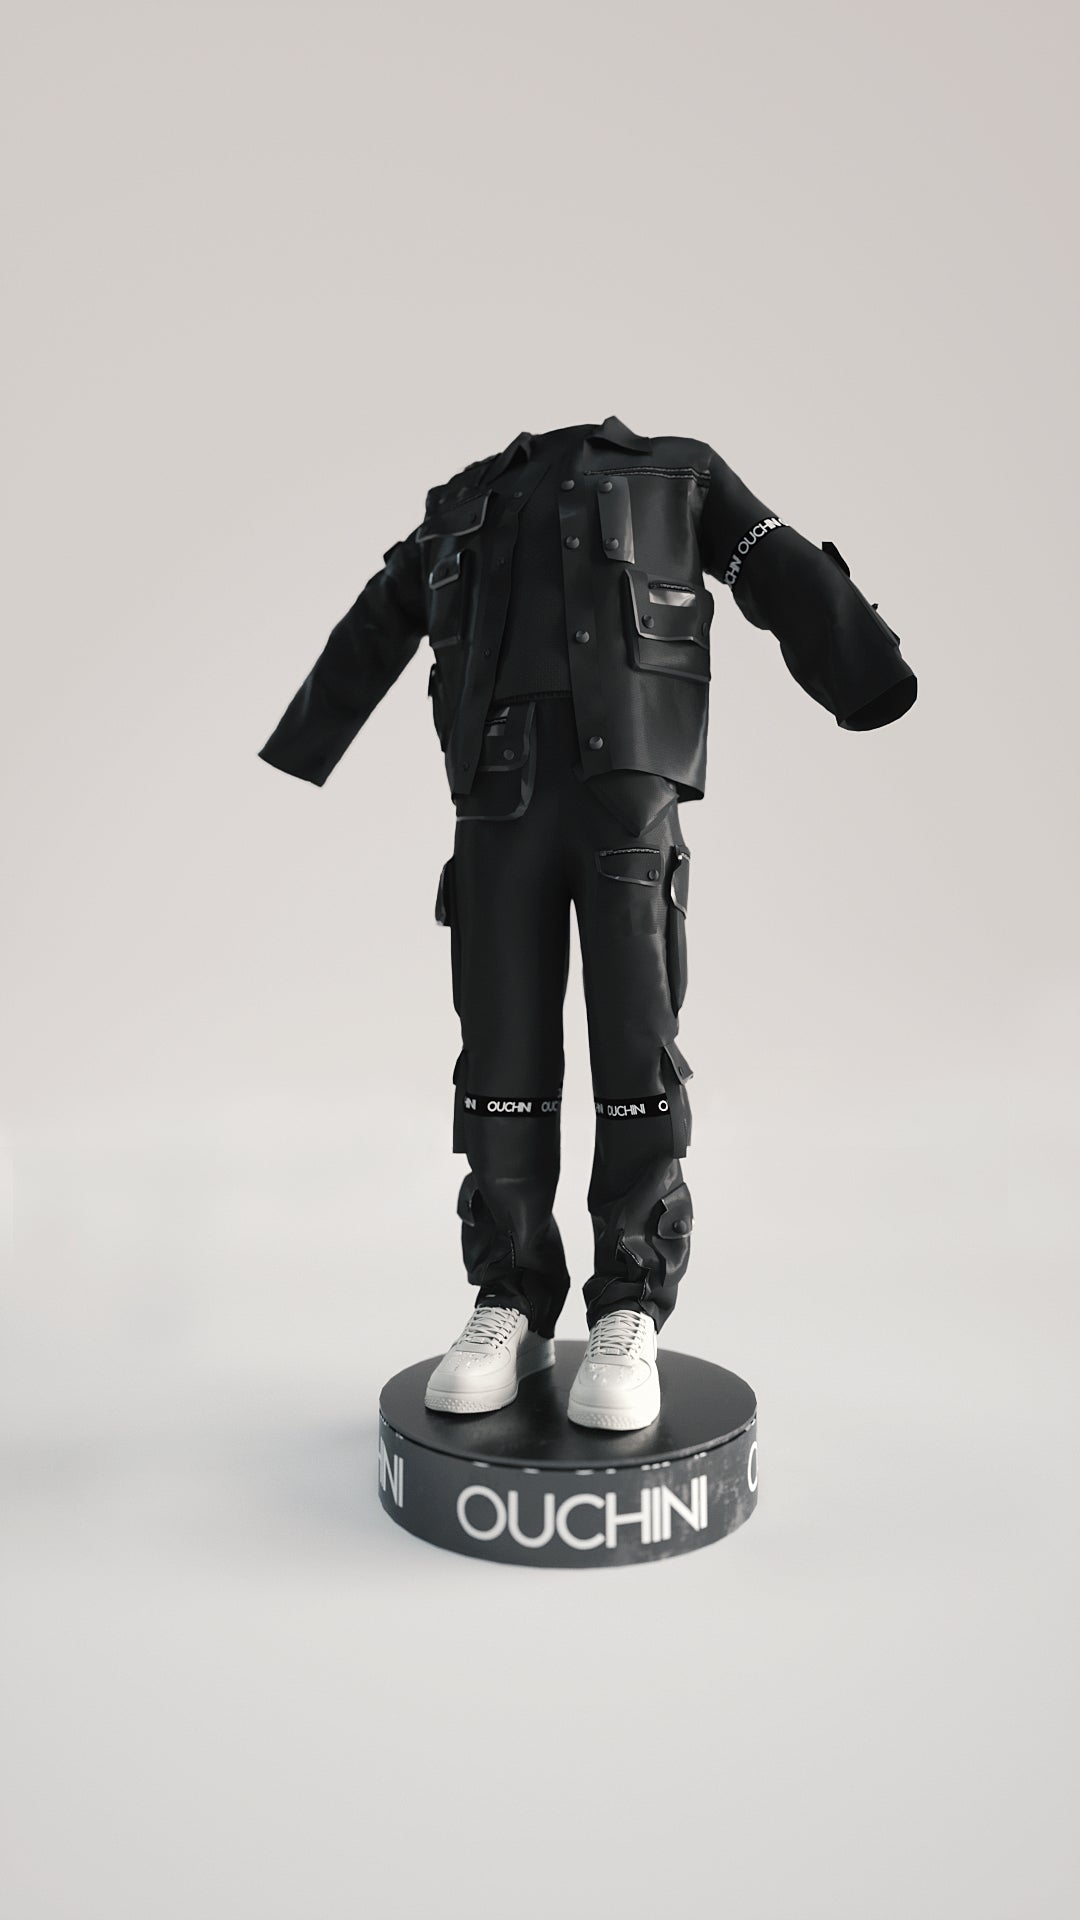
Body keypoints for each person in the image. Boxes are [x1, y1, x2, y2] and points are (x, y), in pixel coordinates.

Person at [258, 414, 917, 1431]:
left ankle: (629, 1304)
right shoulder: (460, 504)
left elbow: (775, 563)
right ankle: (513, 1298)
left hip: (630, 806)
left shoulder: (678, 475)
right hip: (495, 808)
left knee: (636, 1051)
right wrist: (306, 740)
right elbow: (376, 621)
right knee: (500, 1058)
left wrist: (867, 673)